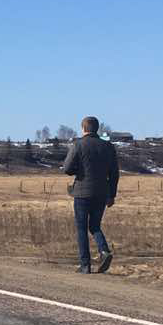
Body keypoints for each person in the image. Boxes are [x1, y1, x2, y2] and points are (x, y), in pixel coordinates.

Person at [62, 116, 118, 273]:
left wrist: (77, 170)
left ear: (83, 128)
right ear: (97, 129)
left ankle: (85, 264)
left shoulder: (78, 144)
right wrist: (111, 195)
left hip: (81, 192)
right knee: (94, 226)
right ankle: (104, 251)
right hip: (101, 193)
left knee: (81, 228)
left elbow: (67, 168)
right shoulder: (108, 147)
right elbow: (114, 173)